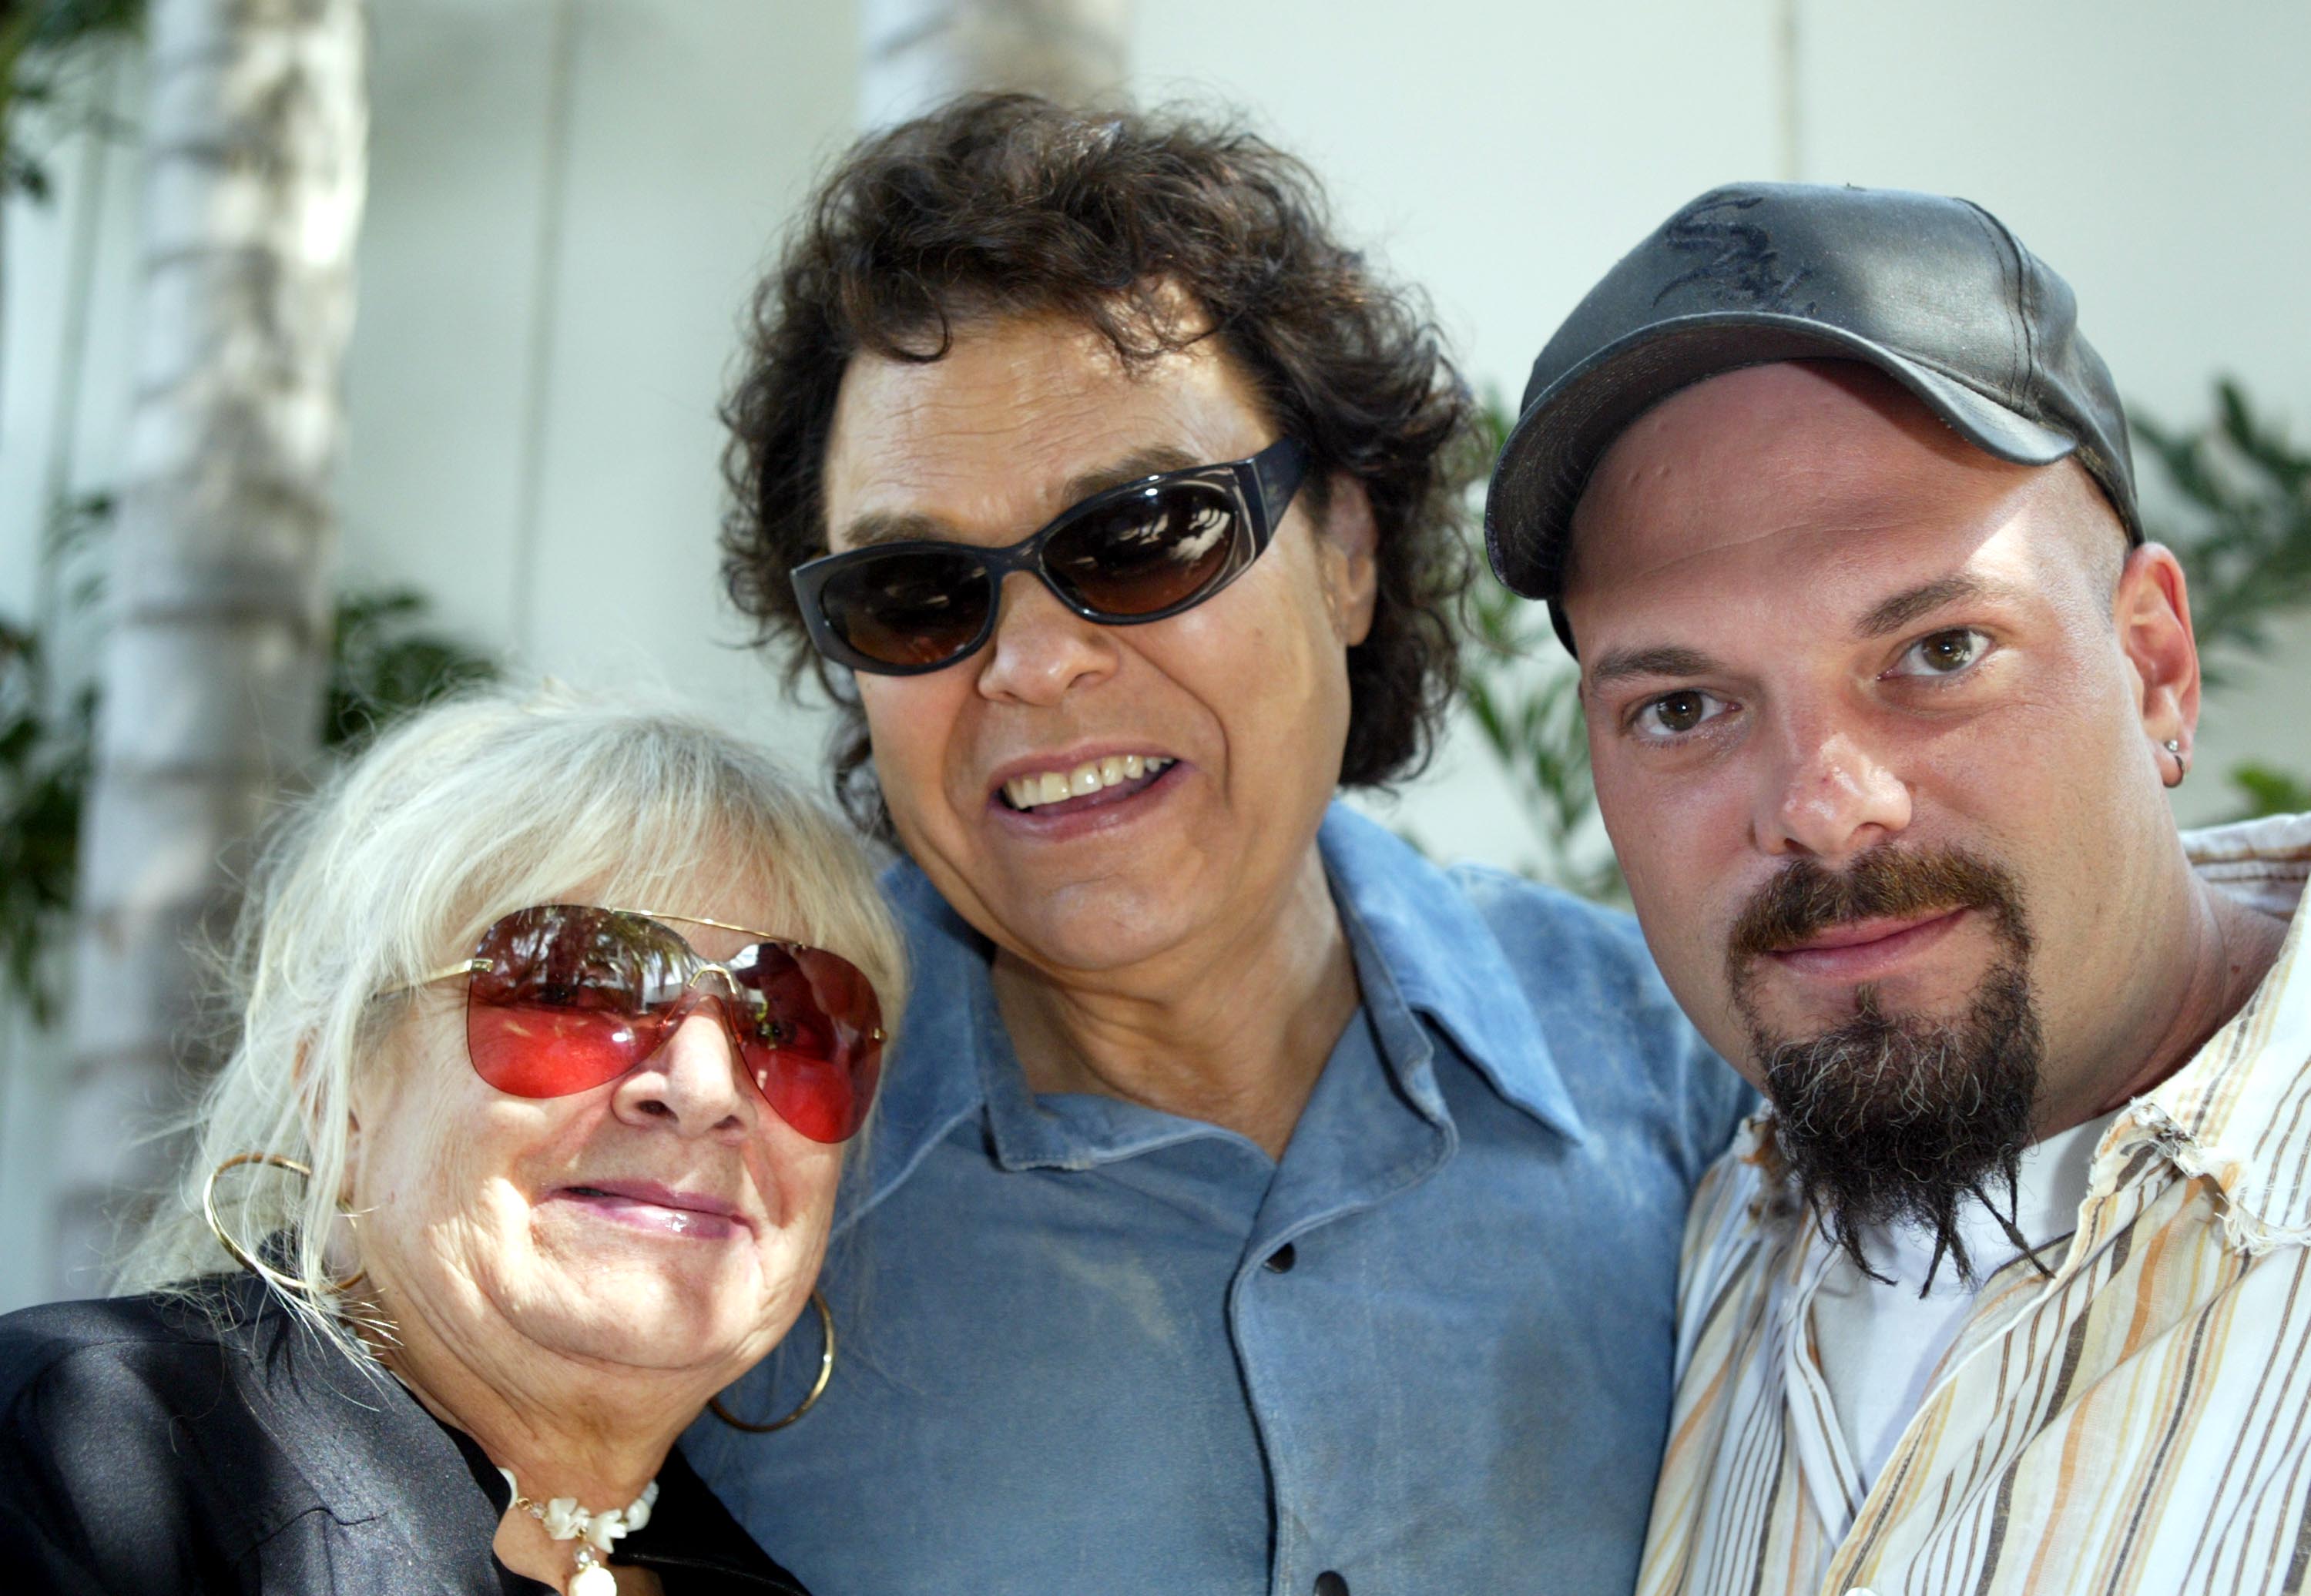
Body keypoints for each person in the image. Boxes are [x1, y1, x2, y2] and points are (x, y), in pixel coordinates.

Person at [683, 92, 1753, 1596]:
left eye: (1141, 533)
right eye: (917, 589)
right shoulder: (702, 1157)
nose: (1031, 665)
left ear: (1350, 551)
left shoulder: (1708, 1083)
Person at [1485, 180, 2311, 1596]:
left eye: (1938, 651)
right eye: (1684, 707)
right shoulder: (1684, 1240)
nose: (1820, 803)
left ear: (2155, 663)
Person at [0, 689, 905, 1595]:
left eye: (788, 1023)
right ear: (338, 1090)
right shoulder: (71, 1458)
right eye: (573, 991)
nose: (707, 1090)